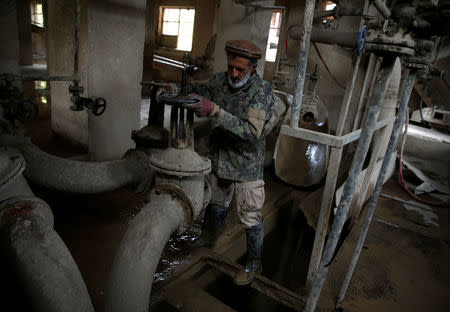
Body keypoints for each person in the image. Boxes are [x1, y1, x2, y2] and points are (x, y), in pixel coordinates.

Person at [163, 40, 275, 285]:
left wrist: (214, 110)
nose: (233, 74)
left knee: (250, 216)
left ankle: (254, 263)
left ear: (253, 68)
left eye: (240, 70)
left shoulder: (262, 92)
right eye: (231, 67)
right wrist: (175, 87)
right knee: (216, 204)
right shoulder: (220, 80)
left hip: (247, 166)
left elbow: (252, 132)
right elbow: (201, 90)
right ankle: (208, 238)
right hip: (221, 159)